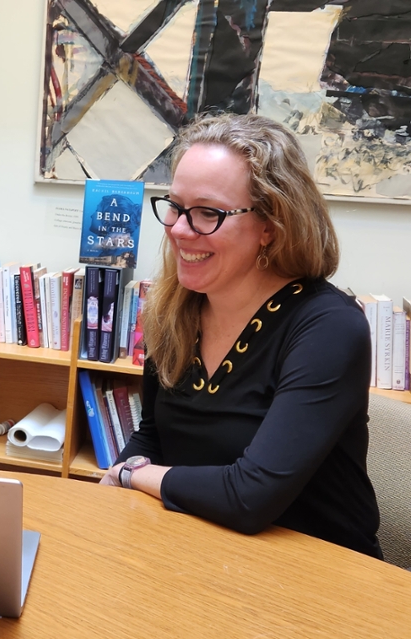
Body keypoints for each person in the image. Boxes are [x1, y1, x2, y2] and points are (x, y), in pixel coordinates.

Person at [100, 114, 382, 559]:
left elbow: (251, 496)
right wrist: (115, 482)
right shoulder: (174, 307)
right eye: (175, 205)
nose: (178, 229)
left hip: (319, 576)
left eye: (207, 213)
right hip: (203, 550)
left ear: (270, 225)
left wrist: (131, 474)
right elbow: (153, 436)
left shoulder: (328, 327)